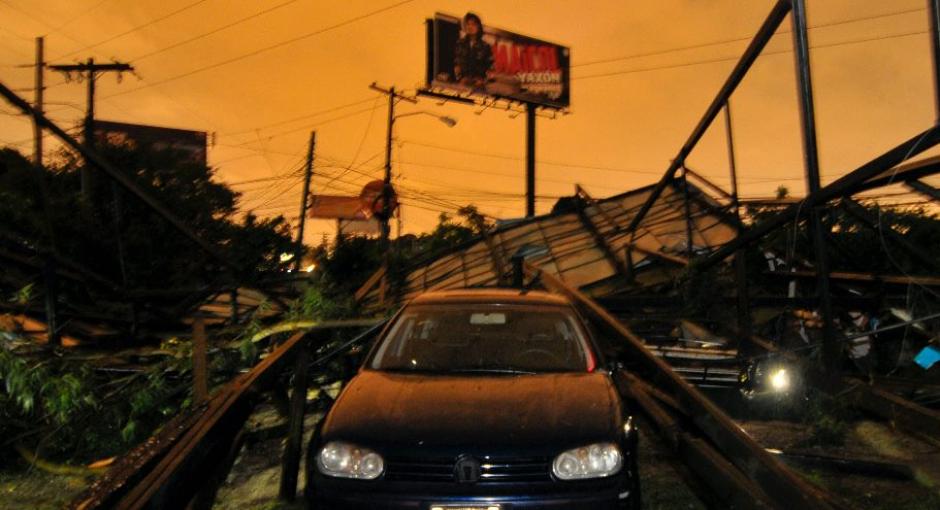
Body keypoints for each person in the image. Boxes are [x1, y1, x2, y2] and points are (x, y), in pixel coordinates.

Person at [453, 12, 493, 88]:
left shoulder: (485, 46)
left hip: (479, 83)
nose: (470, 27)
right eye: (468, 24)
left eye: (473, 24)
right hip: (463, 81)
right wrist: (459, 78)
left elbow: (490, 68)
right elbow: (456, 63)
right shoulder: (460, 43)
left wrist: (483, 80)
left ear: (479, 26)